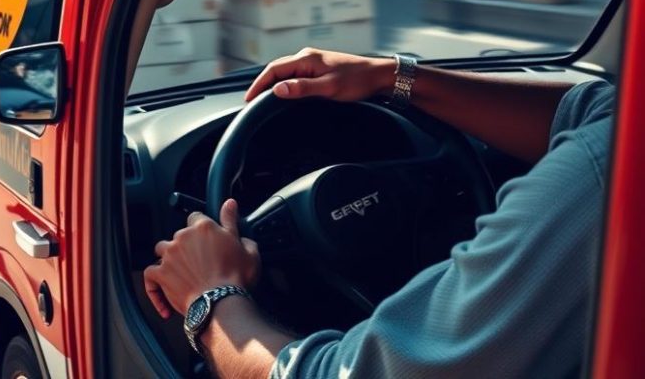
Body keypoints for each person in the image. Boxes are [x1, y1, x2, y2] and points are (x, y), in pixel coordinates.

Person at [143, 48, 615, 379]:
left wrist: (210, 297)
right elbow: (593, 109)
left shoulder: (599, 182)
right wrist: (391, 77)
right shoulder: (612, 140)